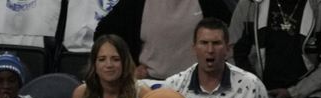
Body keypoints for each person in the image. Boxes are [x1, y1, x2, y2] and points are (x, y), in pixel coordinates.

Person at [94, 0, 232, 80]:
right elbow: (103, 33)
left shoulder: (210, 2)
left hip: (199, 85)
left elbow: (232, 34)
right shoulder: (137, 3)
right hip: (153, 86)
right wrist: (128, 67)